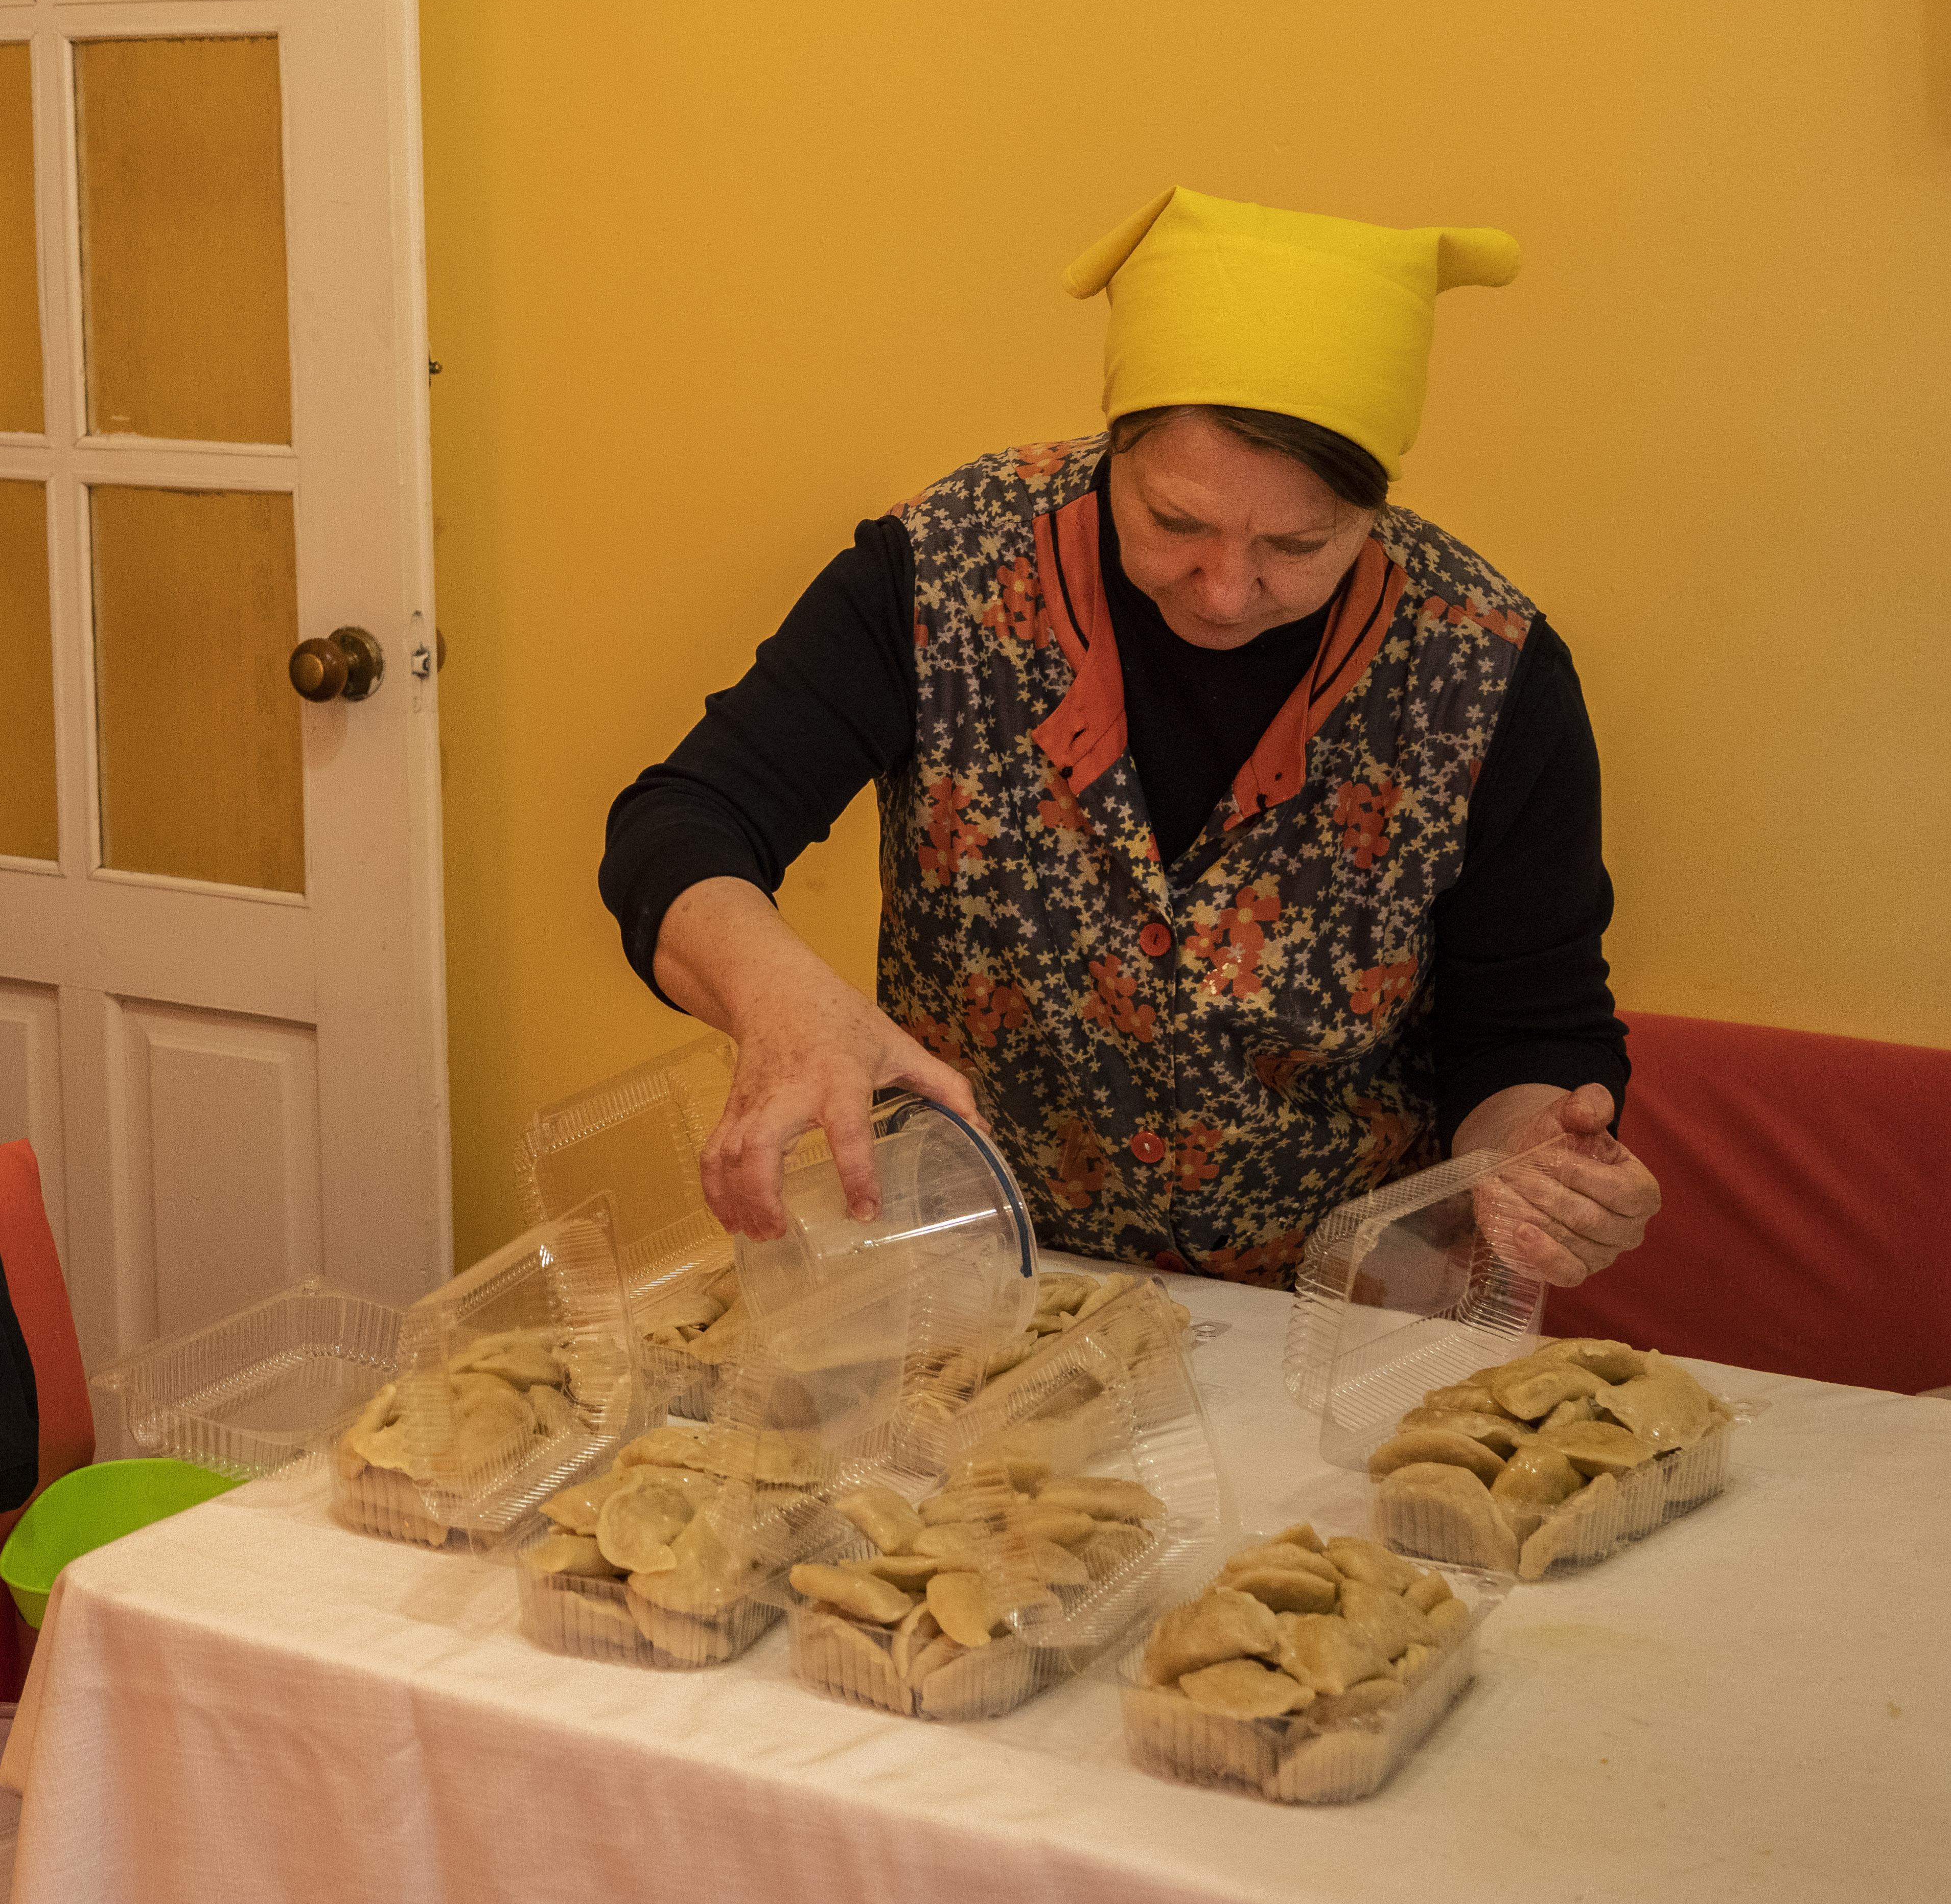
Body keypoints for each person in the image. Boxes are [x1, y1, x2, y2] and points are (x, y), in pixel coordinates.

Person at [600, 188, 1659, 1288]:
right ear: (1115, 450)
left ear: (1374, 508)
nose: (1222, 589)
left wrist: (1535, 1160)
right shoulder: (949, 572)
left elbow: (1530, 1027)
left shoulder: (1481, 667)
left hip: (1333, 1311)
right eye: (1173, 520)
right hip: (979, 1286)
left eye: (1296, 542)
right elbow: (679, 826)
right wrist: (780, 1000)